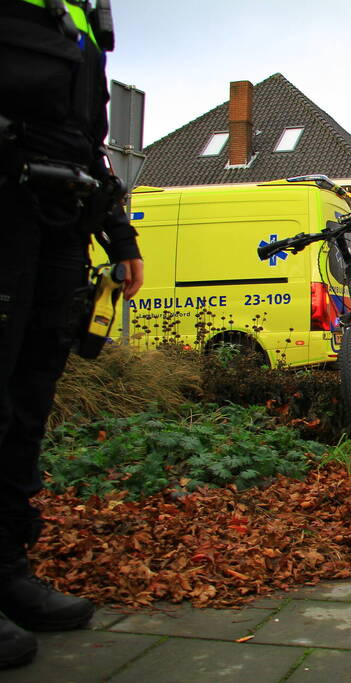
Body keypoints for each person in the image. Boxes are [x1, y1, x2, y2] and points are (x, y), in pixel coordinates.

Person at [0, 0, 143, 669]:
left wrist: (120, 235)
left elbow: (88, 139)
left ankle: (7, 569)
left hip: (61, 219)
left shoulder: (83, 16)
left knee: (28, 405)